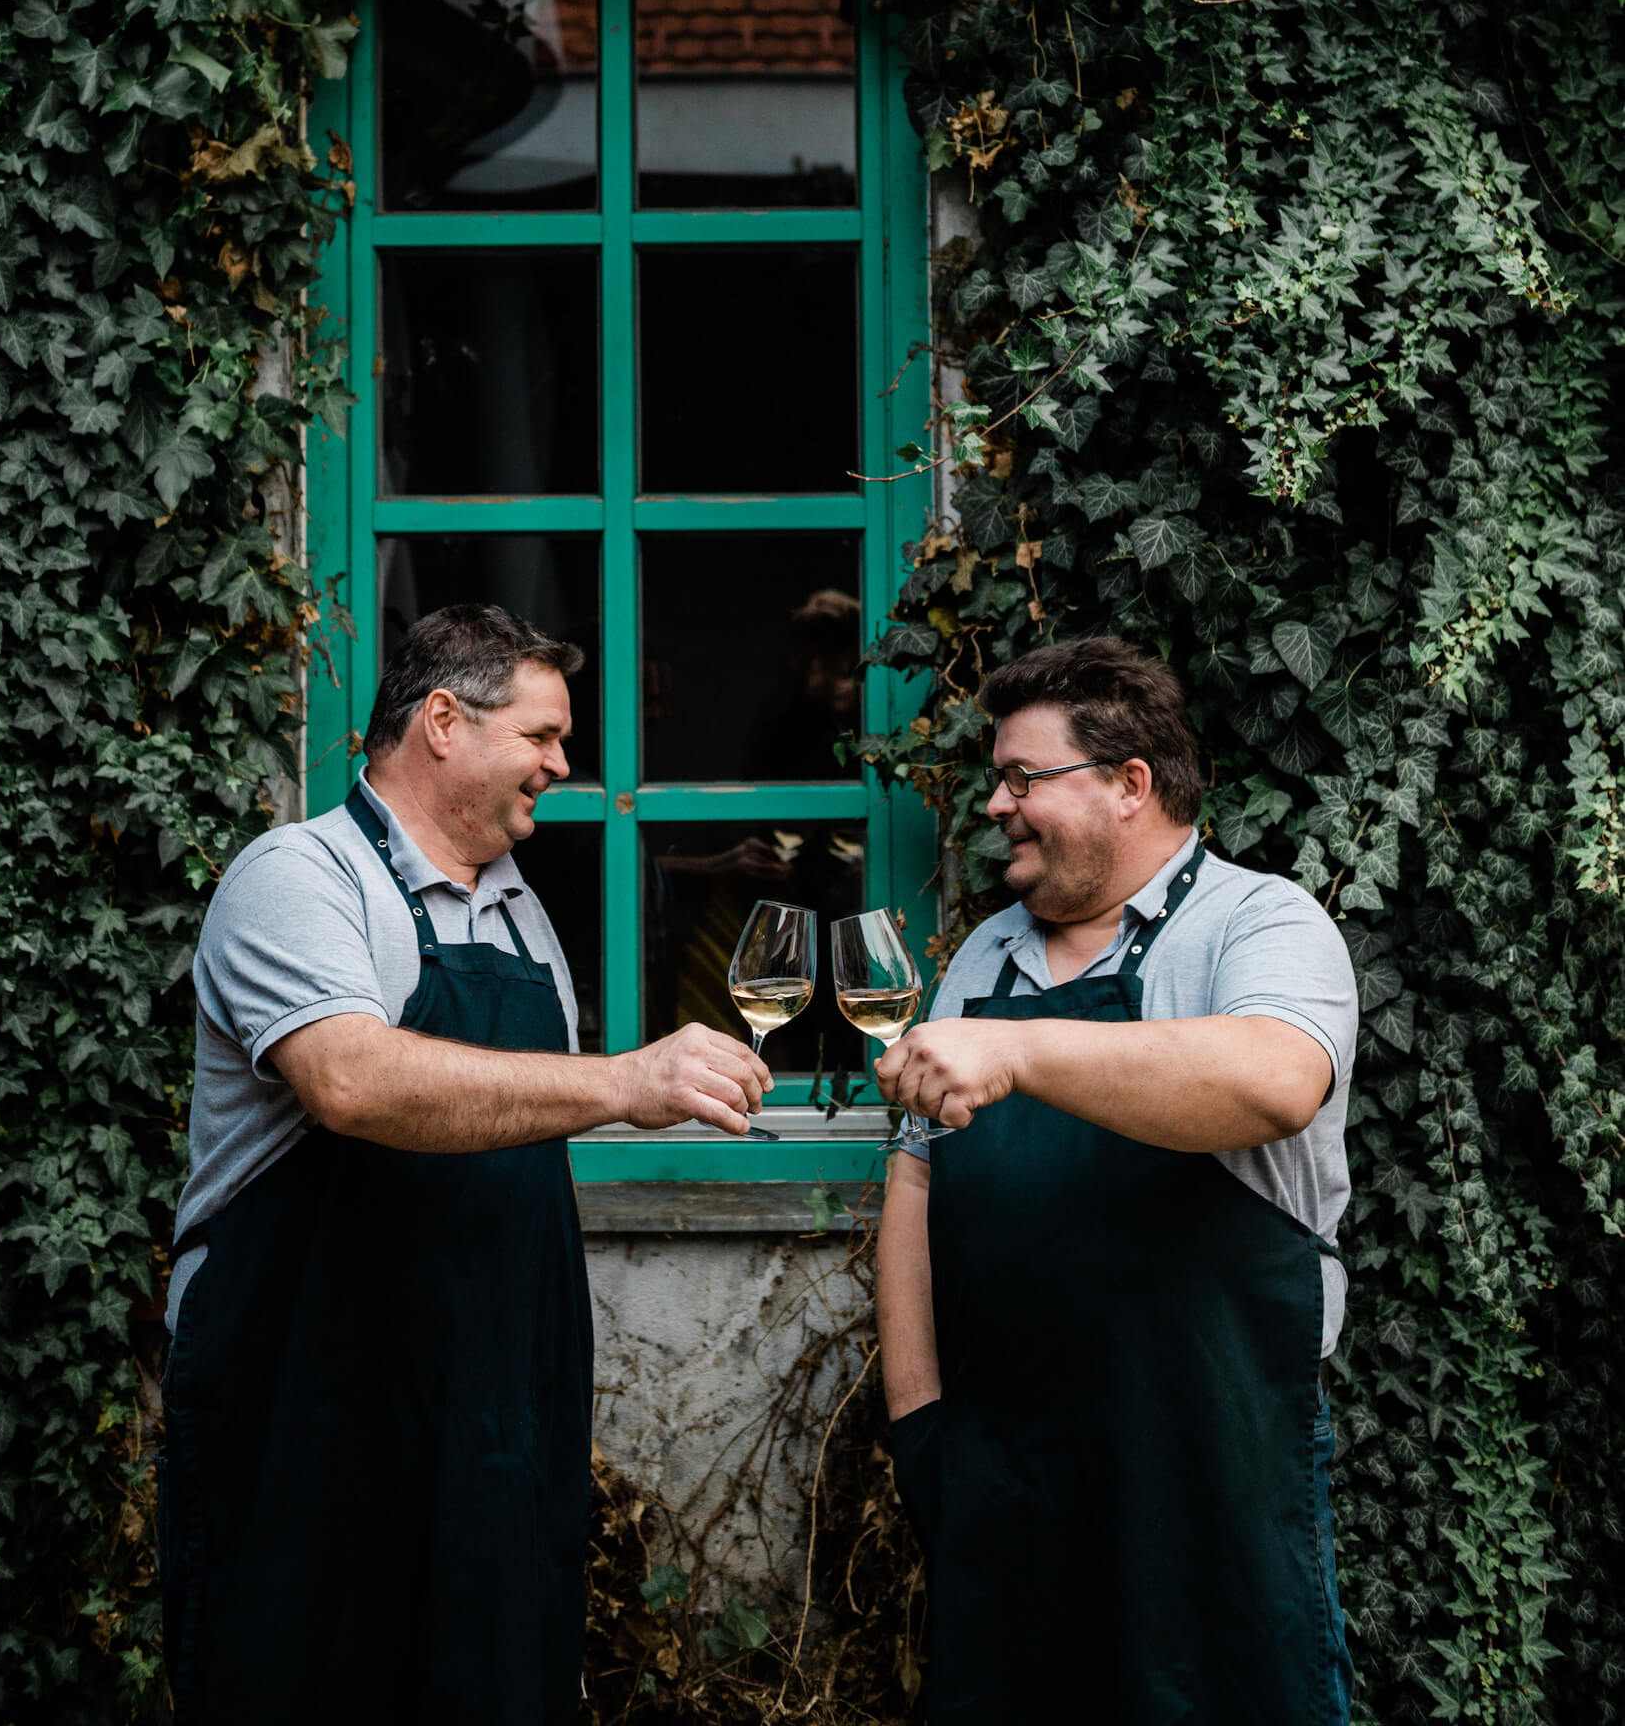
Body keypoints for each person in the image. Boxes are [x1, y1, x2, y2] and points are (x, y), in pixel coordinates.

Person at [160, 603, 770, 1726]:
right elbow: (352, 1079)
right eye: (541, 734)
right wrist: (623, 1082)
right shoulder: (300, 877)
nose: (563, 763)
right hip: (312, 1418)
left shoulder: (519, 910)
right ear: (442, 720)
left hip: (491, 1423)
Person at [875, 637, 1359, 1725]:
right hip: (1006, 1470)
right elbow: (912, 1187)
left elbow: (1274, 1080)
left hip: (1208, 1477)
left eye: (1021, 778)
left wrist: (1022, 1052)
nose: (993, 804)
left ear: (1128, 783)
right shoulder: (982, 958)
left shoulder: (1261, 924)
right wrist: (918, 1421)